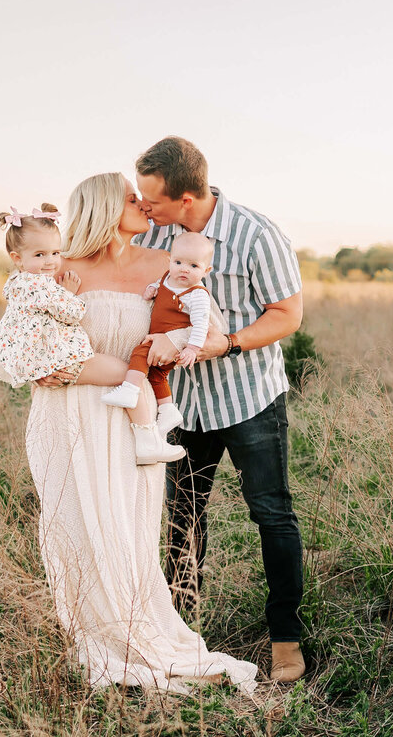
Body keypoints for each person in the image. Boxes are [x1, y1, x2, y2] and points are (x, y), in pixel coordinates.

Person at [0, 172, 259, 694]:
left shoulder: (168, 265)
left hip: (132, 418)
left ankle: (136, 633)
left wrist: (172, 343)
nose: (144, 204)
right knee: (73, 530)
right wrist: (57, 367)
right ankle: (90, 640)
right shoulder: (54, 269)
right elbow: (8, 350)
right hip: (63, 416)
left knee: (127, 532)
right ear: (104, 207)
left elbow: (212, 333)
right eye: (131, 198)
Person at [133, 136, 307, 683]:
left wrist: (226, 342)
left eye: (152, 200)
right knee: (183, 516)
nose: (144, 208)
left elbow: (287, 315)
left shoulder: (256, 235)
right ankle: (179, 631)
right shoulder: (155, 232)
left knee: (271, 512)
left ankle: (286, 638)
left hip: (248, 396)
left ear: (187, 200)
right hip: (181, 405)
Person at [0, 203, 183, 465]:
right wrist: (68, 294)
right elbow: (72, 312)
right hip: (65, 360)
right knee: (130, 374)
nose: (50, 261)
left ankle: (153, 430)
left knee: (127, 375)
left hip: (57, 359)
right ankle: (149, 436)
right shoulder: (38, 284)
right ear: (17, 258)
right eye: (40, 255)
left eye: (54, 252)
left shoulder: (20, 283)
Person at [99, 231, 219, 437]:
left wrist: (191, 348)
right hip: (159, 336)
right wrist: (152, 289)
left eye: (193, 266)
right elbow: (160, 284)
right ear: (170, 260)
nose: (183, 270)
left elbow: (201, 324)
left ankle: (130, 390)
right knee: (157, 376)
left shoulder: (197, 294)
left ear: (206, 270)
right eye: (178, 262)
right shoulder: (167, 277)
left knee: (139, 354)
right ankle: (168, 410)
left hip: (169, 341)